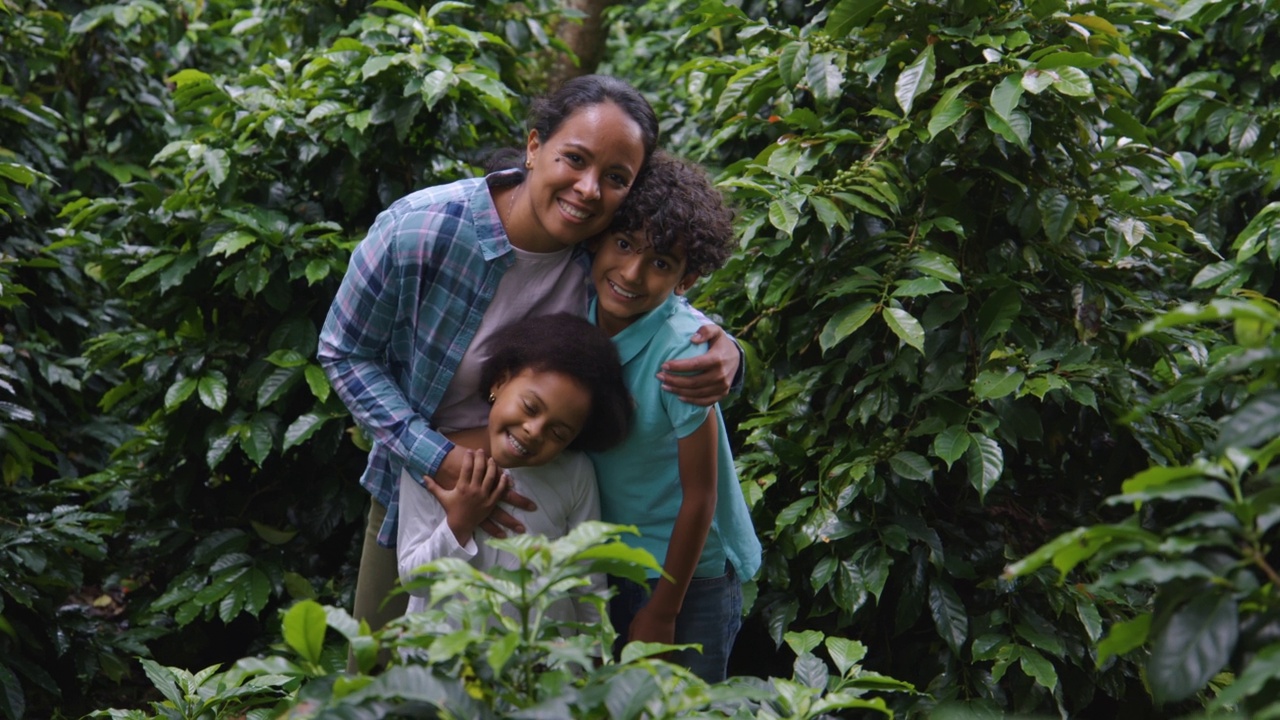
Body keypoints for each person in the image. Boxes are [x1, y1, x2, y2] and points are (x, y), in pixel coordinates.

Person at [317, 75, 743, 658]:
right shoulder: (421, 229)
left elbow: (661, 294)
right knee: (387, 668)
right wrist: (436, 456)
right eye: (574, 158)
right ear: (535, 146)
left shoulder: (591, 254)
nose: (589, 189)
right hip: (423, 488)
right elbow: (343, 350)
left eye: (615, 179)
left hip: (552, 496)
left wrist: (730, 352)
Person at [585, 152, 762, 683]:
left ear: (687, 279)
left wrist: (663, 609)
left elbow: (701, 497)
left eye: (661, 262)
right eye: (624, 244)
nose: (632, 273)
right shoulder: (577, 312)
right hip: (610, 559)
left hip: (687, 574)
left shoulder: (684, 352)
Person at [396, 313, 631, 627]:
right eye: (531, 407)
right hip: (446, 663)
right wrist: (459, 522)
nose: (535, 431)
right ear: (500, 382)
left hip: (543, 663)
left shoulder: (575, 473)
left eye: (559, 433)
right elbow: (415, 580)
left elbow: (587, 579)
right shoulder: (431, 460)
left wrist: (593, 659)